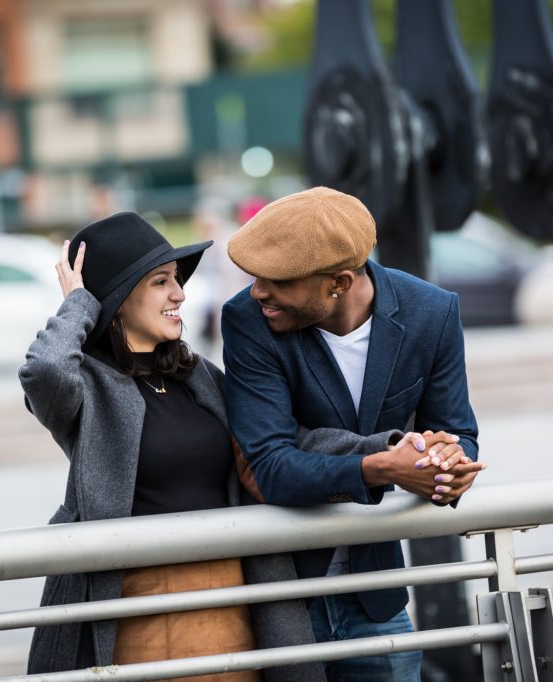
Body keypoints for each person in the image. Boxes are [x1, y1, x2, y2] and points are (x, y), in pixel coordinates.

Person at [20, 211, 329, 680]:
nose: (180, 294)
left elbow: (286, 438)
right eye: (161, 281)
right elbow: (43, 371)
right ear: (119, 299)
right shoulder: (87, 389)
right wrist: (81, 304)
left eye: (177, 280)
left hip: (233, 601)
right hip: (137, 612)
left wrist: (386, 451)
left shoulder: (196, 374)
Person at [221, 186, 485, 681]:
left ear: (339, 282)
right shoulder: (248, 320)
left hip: (377, 598)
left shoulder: (433, 312)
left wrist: (449, 463)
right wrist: (383, 466)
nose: (258, 290)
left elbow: (458, 432)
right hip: (283, 597)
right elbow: (270, 466)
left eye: (276, 280)